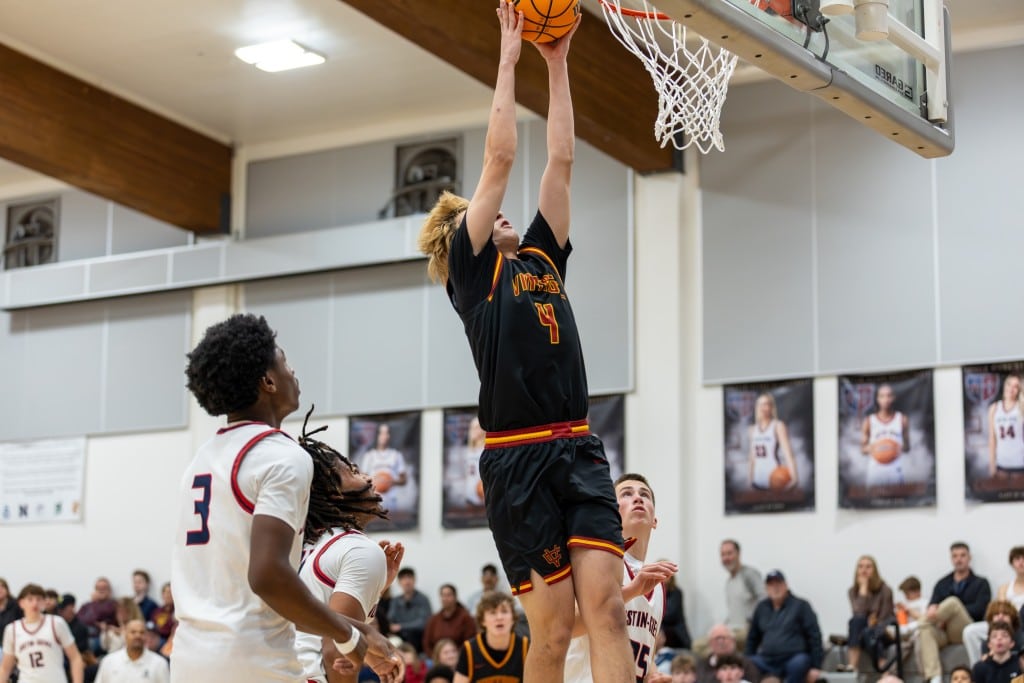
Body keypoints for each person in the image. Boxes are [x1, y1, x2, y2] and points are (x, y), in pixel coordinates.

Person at [418, 7, 631, 683]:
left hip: (577, 444)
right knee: (554, 628)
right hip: (517, 461)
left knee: (607, 609)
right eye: (480, 208)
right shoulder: (472, 274)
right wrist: (509, 60)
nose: (498, 207)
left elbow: (561, 158)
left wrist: (558, 63)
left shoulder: (541, 256)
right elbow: (502, 156)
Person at [171, 313, 400, 682]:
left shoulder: (200, 460)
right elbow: (267, 575)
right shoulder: (281, 455)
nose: (294, 373)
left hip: (188, 661)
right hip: (253, 660)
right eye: (286, 364)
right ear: (268, 381)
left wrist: (359, 625)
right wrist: (347, 633)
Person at [293, 415, 405, 683]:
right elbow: (336, 651)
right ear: (335, 494)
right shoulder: (358, 549)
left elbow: (321, 624)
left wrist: (375, 590)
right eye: (354, 472)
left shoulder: (304, 546)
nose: (368, 477)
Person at [565, 473, 678, 683]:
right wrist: (630, 591)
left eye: (645, 495)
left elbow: (642, 650)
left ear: (654, 520)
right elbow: (567, 627)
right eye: (627, 494)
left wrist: (653, 675)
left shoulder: (657, 585)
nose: (638, 498)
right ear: (611, 513)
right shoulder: (595, 560)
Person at [917, 542, 992, 683]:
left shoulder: (981, 583)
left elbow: (980, 610)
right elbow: (933, 606)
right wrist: (937, 612)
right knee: (925, 629)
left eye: (962, 555)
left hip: (965, 628)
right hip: (944, 631)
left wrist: (952, 613)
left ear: (969, 558)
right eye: (955, 556)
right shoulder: (942, 583)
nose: (959, 559)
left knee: (953, 602)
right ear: (951, 559)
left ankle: (915, 625)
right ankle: (935, 678)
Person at [745, 571, 823, 683]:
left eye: (778, 584)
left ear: (786, 585)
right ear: (766, 588)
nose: (775, 588)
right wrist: (745, 660)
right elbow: (752, 638)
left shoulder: (801, 606)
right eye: (771, 585)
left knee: (799, 663)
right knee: (747, 663)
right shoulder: (761, 608)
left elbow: (814, 636)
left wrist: (816, 666)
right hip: (767, 660)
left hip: (793, 658)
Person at [0, 583, 85, 683]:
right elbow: (6, 667)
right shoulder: (12, 629)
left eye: (39, 599)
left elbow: (75, 658)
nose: (35, 603)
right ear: (21, 603)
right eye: (30, 599)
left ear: (44, 603)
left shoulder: (56, 623)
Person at [964, 546, 1024, 665]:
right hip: (1004, 620)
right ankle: (977, 665)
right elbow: (1001, 608)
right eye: (1017, 559)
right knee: (970, 631)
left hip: (1020, 624)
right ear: (1012, 563)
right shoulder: (1005, 587)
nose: (1021, 562)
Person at [454, 592, 528, 683]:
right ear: (482, 620)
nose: (499, 617)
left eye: (504, 611)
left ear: (513, 618)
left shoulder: (526, 647)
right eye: (493, 613)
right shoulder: (469, 649)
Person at [845, 555, 894, 671]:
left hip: (882, 631)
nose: (864, 570)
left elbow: (886, 616)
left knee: (868, 632)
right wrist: (863, 588)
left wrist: (874, 622)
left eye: (868, 567)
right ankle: (852, 666)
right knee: (857, 622)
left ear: (875, 570)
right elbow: (858, 613)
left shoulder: (885, 590)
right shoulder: (853, 591)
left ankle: (884, 669)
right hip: (863, 631)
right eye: (860, 567)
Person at [861, 383, 910, 488]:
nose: (886, 399)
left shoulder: (902, 419)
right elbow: (863, 449)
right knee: (873, 502)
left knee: (898, 501)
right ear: (877, 399)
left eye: (889, 395)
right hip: (875, 471)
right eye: (882, 396)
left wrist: (895, 447)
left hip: (894, 470)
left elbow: (907, 447)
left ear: (894, 398)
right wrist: (875, 448)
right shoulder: (869, 421)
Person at [748, 394, 798, 490]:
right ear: (756, 407)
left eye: (766, 404)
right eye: (760, 404)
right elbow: (752, 457)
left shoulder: (778, 426)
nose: (763, 408)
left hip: (774, 478)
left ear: (771, 407)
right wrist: (750, 480)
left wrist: (794, 478)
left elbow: (788, 454)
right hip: (757, 480)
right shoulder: (752, 429)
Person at [720, 540, 764, 649]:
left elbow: (764, 600)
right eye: (723, 555)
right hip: (731, 629)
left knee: (717, 644)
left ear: (738, 554)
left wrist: (753, 623)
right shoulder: (729, 582)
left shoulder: (749, 574)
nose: (726, 558)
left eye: (729, 553)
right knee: (699, 645)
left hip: (747, 630)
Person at [94, 619, 169, 683]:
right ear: (125, 635)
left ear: (146, 636)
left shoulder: (159, 663)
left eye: (141, 632)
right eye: (133, 632)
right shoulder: (109, 661)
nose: (137, 636)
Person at [358, 423, 409, 511]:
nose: (384, 436)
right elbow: (363, 478)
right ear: (377, 435)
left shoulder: (396, 455)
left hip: (391, 501)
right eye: (382, 433)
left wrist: (391, 481)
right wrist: (376, 480)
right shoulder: (369, 456)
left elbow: (404, 480)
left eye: (386, 433)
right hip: (374, 500)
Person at [386, 568, 432, 653]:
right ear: (399, 582)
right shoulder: (395, 601)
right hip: (400, 638)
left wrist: (401, 626)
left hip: (418, 638)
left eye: (409, 578)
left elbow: (424, 623)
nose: (407, 582)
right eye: (403, 578)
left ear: (414, 580)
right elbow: (390, 620)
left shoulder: (423, 599)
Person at [423, 585, 477, 657]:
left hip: (459, 658)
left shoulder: (466, 618)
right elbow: (426, 643)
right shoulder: (434, 619)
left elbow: (470, 642)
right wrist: (435, 657)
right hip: (436, 660)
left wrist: (453, 656)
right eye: (443, 595)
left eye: (449, 595)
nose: (445, 598)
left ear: (455, 597)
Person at [697, 625, 762, 683]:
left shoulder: (746, 664)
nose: (720, 641)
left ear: (733, 640)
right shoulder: (702, 665)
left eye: (724, 638)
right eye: (717, 638)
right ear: (710, 643)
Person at [988, 374, 1024, 478]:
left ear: (1019, 390)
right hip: (1001, 463)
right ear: (1004, 385)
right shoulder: (994, 408)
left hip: (1020, 463)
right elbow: (992, 439)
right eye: (1009, 384)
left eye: (1015, 386)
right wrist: (992, 465)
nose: (1011, 389)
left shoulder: (1021, 407)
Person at [664, 573, 693, 651]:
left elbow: (670, 615)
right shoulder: (655, 592)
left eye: (665, 574)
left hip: (676, 635)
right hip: (663, 633)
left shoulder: (676, 592)